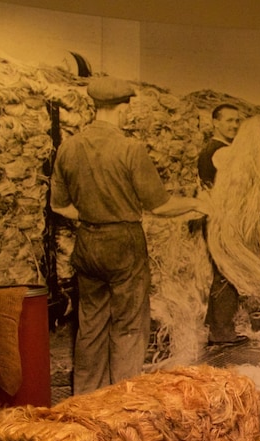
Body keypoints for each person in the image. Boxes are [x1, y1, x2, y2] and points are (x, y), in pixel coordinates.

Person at [51, 76, 207, 394]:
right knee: (129, 326)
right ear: (123, 108)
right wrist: (196, 203)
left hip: (88, 243)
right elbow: (160, 206)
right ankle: (122, 400)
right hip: (123, 243)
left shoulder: (68, 147)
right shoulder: (130, 149)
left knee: (90, 325)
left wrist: (93, 215)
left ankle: (86, 399)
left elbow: (59, 206)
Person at [196, 104, 248, 345]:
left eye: (237, 121)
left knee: (221, 272)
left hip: (217, 218)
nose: (234, 125)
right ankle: (223, 332)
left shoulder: (211, 149)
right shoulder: (221, 151)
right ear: (215, 122)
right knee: (227, 273)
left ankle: (215, 326)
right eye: (228, 120)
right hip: (223, 220)